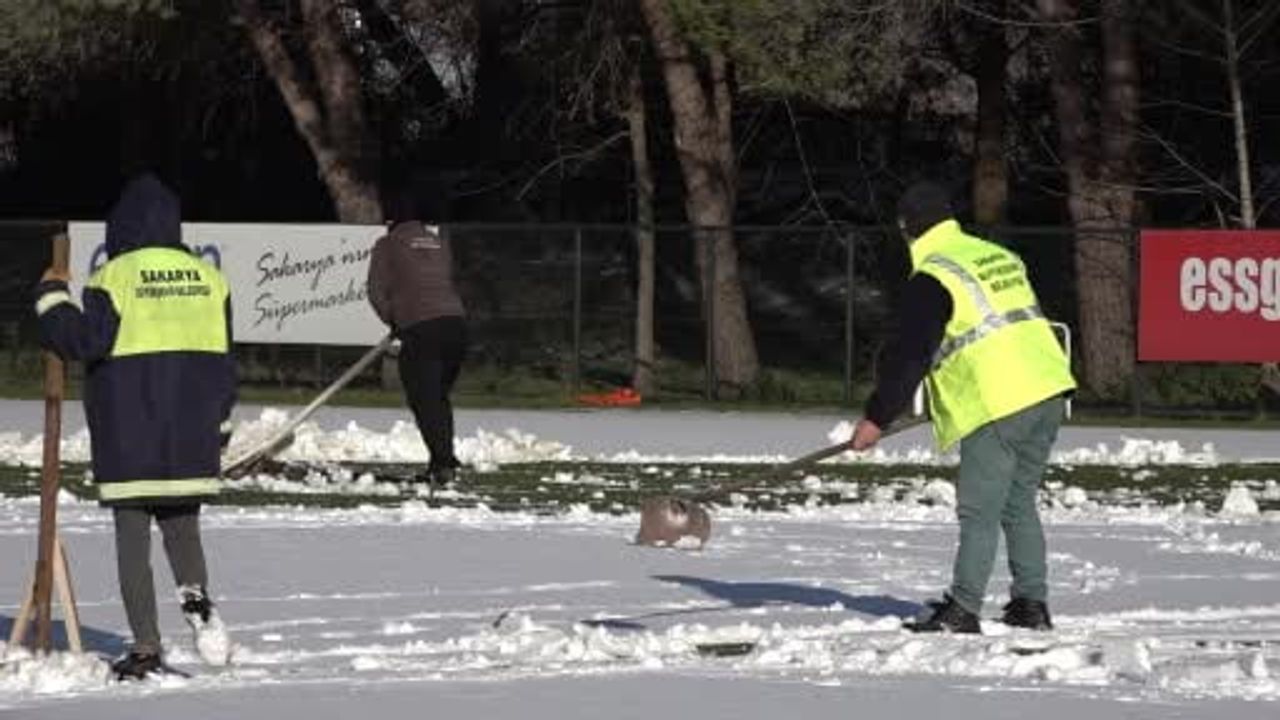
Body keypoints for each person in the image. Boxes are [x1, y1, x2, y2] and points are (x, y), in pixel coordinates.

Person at [849, 181, 1076, 634]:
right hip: (1048, 389)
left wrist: (877, 417)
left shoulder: (934, 274)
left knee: (979, 509)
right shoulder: (993, 255)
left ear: (906, 228)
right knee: (1017, 503)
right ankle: (1031, 604)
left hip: (1000, 400)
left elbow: (910, 354)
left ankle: (963, 608)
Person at [34, 173, 235, 679]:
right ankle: (198, 602)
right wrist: (221, 422)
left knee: (133, 542)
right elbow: (225, 361)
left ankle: (145, 647)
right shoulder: (211, 280)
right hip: (192, 434)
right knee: (183, 529)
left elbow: (85, 341)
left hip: (130, 434)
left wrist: (52, 299)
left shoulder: (115, 277)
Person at [367, 181, 467, 487]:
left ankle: (444, 464)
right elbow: (444, 280)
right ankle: (442, 460)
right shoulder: (436, 242)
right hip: (456, 326)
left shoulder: (387, 245)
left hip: (421, 329)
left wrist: (394, 320)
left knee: (425, 399)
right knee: (437, 398)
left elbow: (375, 291)